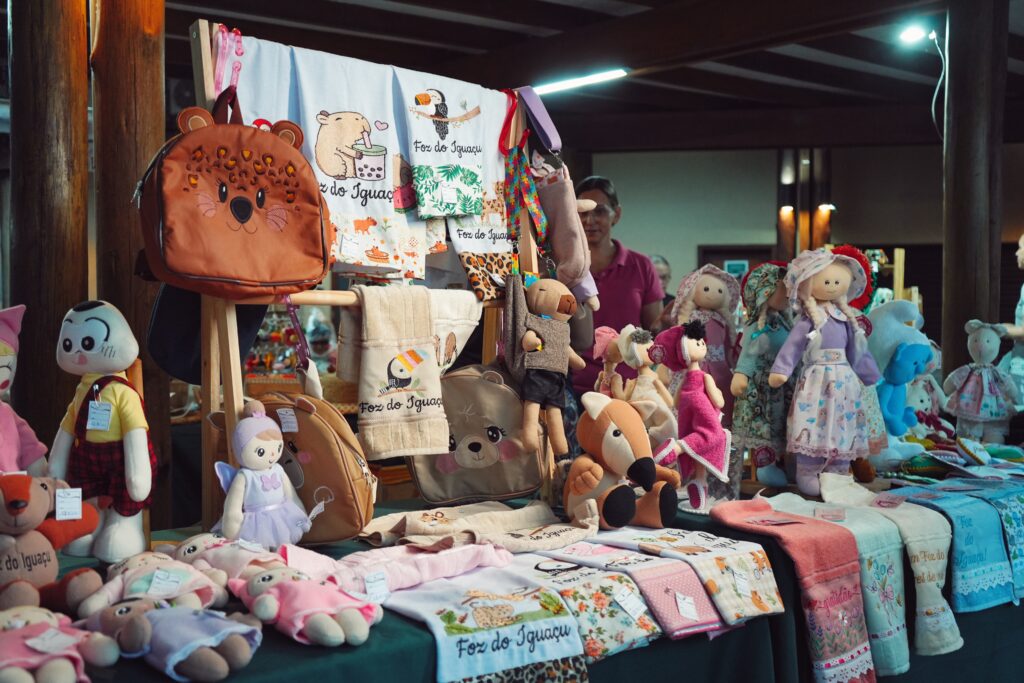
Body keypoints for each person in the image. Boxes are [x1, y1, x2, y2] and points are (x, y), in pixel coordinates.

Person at [573, 176, 663, 396]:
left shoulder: (641, 266)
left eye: (600, 211)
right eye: (582, 212)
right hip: (572, 385)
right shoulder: (565, 266)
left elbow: (654, 330)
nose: (590, 220)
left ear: (617, 214)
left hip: (627, 388)